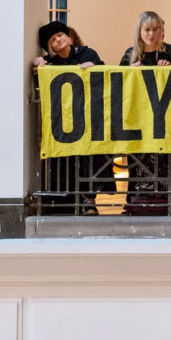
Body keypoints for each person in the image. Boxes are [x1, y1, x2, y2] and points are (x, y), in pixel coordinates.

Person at [117, 12, 171, 214]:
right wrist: (130, 73)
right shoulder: (130, 55)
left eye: (155, 29)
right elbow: (119, 86)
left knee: (168, 161)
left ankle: (168, 202)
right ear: (140, 31)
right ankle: (136, 203)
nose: (151, 34)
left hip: (167, 120)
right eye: (147, 30)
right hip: (139, 120)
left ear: (162, 31)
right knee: (138, 161)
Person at [32, 20, 105, 215]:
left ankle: (89, 201)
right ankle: (67, 203)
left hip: (88, 119)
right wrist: (39, 65)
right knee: (66, 163)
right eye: (53, 39)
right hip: (63, 122)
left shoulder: (88, 54)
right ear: (50, 47)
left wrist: (95, 66)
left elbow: (103, 75)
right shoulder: (50, 63)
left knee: (89, 160)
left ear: (69, 37)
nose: (58, 39)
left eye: (60, 35)